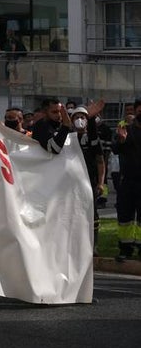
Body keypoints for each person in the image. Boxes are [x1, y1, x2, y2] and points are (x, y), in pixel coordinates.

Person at [71, 106, 106, 250]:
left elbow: (100, 161)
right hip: (71, 184)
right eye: (76, 117)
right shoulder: (67, 138)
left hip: (89, 182)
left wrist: (101, 183)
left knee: (92, 214)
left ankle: (93, 245)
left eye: (83, 117)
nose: (80, 120)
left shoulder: (92, 139)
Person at [114, 99, 141, 262]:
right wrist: (121, 140)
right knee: (125, 216)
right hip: (128, 180)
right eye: (139, 109)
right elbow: (116, 149)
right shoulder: (126, 130)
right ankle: (125, 248)